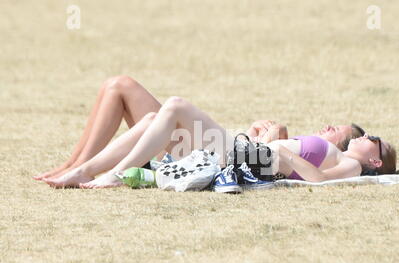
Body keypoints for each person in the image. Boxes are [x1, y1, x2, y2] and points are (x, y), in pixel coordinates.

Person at [33, 76, 364, 181]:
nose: (329, 127)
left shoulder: (340, 159)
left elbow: (303, 173)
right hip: (225, 148)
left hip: (210, 152)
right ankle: (73, 166)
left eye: (338, 130)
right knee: (118, 88)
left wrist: (272, 140)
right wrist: (260, 133)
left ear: (354, 142)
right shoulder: (303, 144)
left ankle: (104, 173)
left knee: (169, 103)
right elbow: (261, 152)